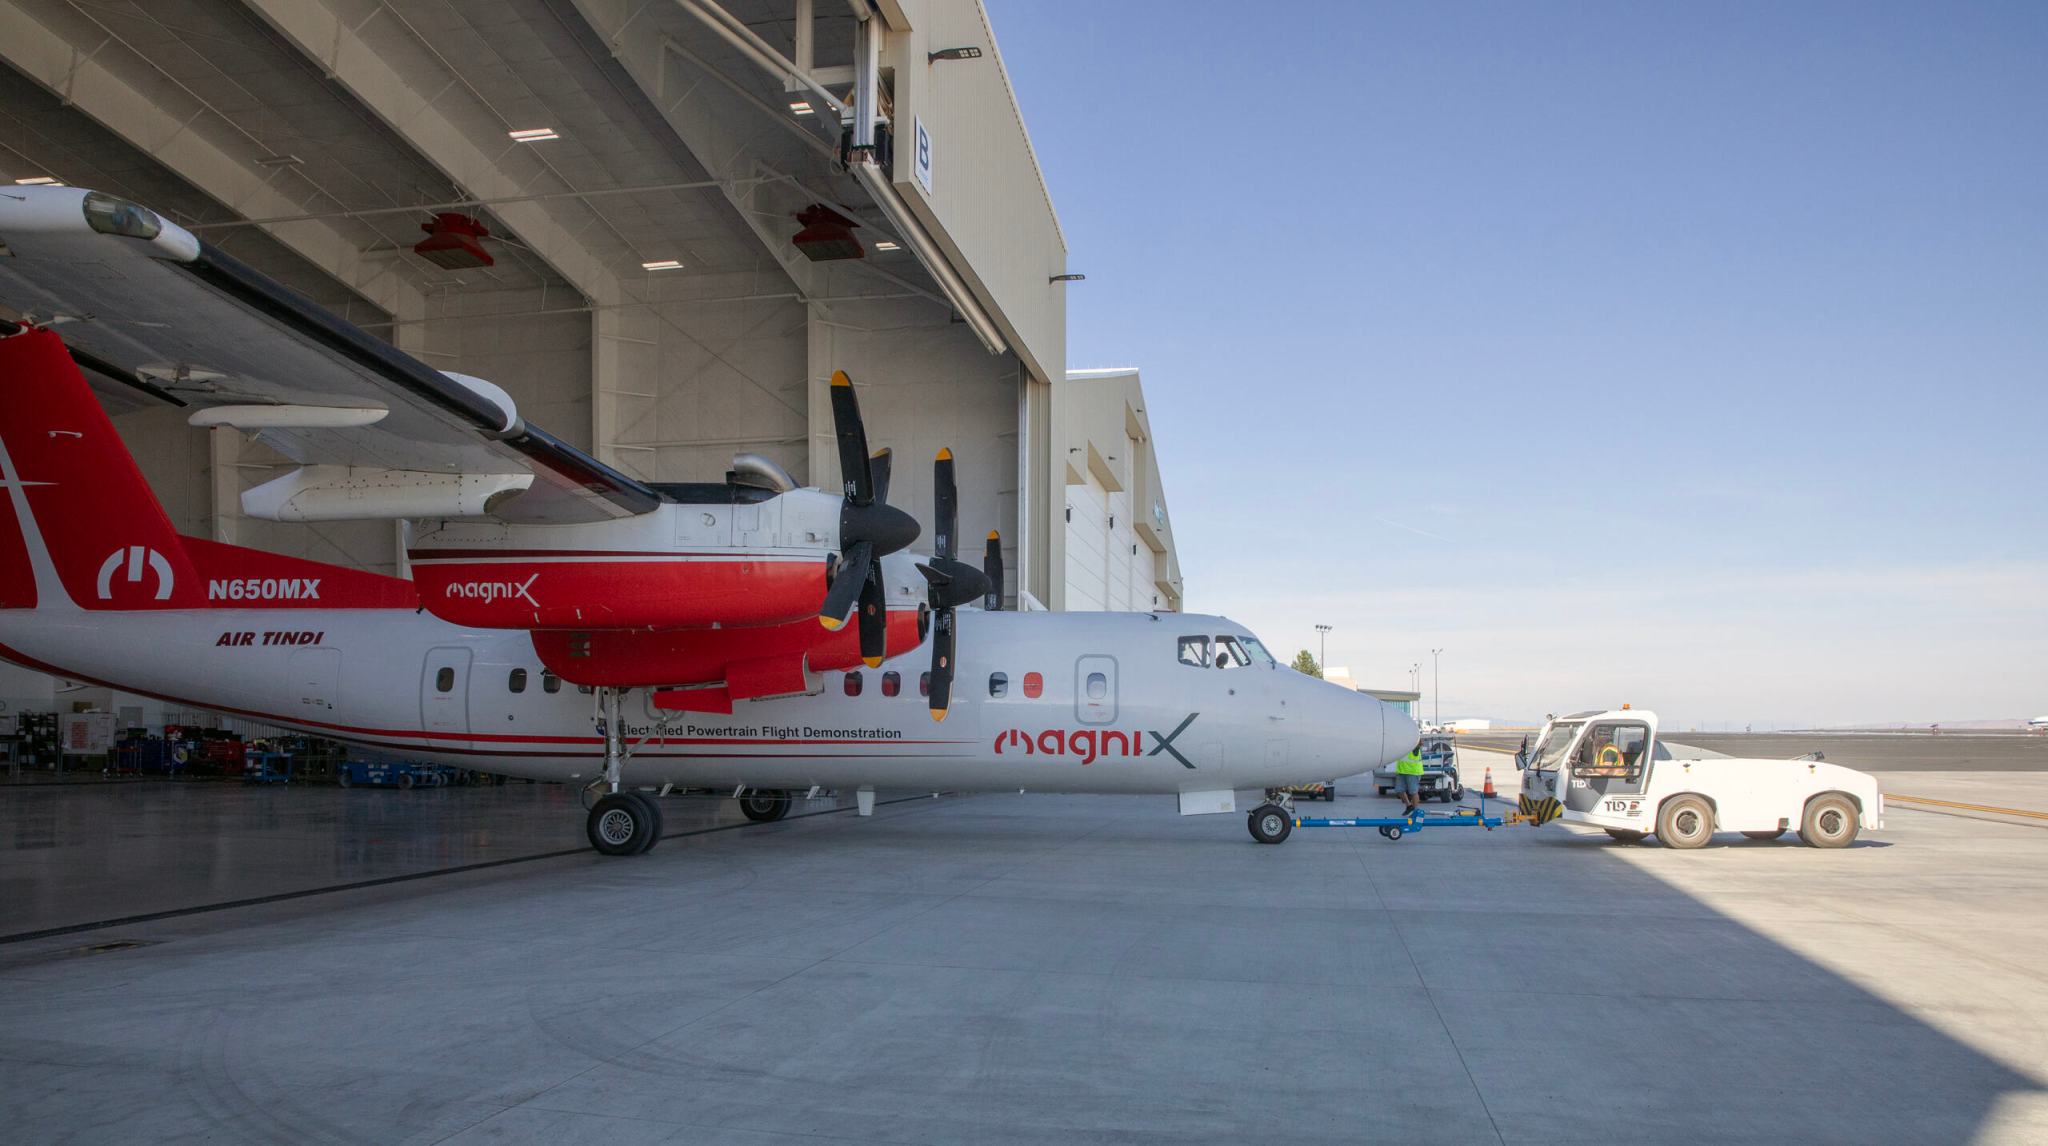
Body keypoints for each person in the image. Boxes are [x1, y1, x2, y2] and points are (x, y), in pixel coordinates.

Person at [1394, 740, 1425, 817]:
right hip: (1401, 771)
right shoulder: (1401, 746)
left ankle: (1415, 811)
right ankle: (1409, 806)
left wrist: (1419, 744)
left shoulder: (1413, 745)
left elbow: (1417, 746)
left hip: (1413, 772)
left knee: (1413, 792)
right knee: (1399, 790)